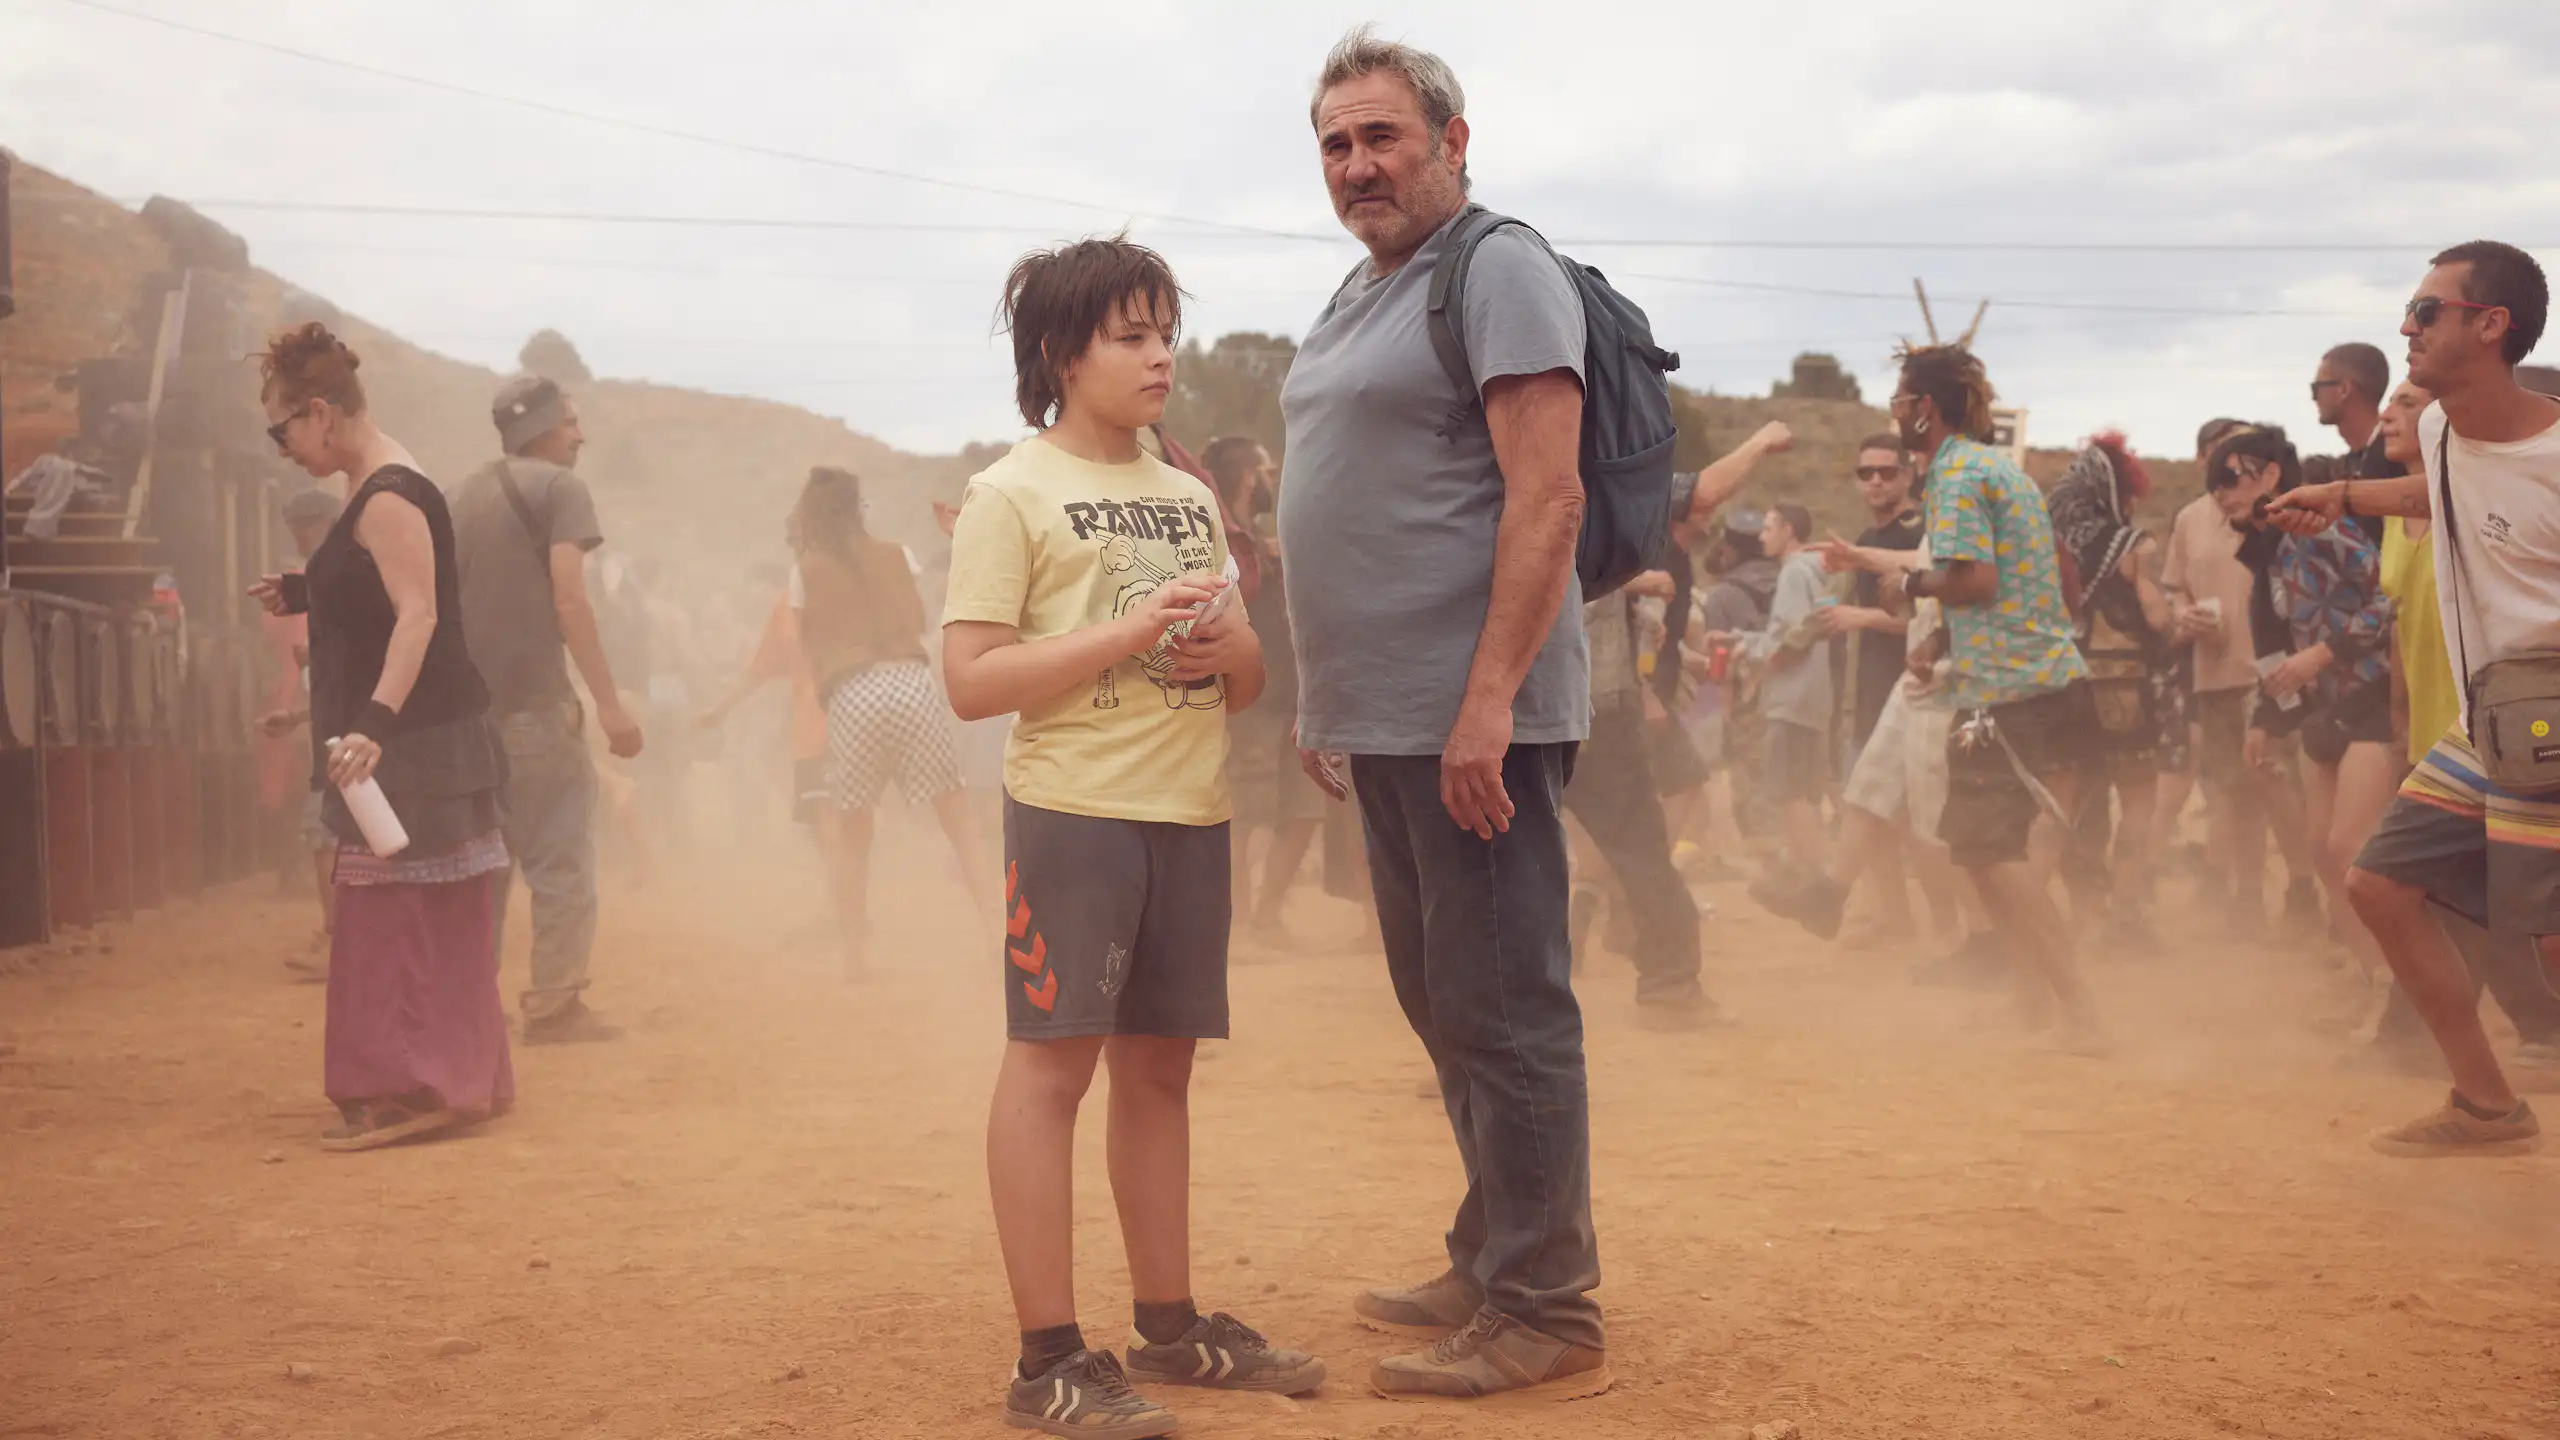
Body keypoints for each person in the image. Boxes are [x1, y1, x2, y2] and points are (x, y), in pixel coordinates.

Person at [940, 237, 1319, 1439]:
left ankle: (1171, 1324)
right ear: (1062, 352)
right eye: (1131, 335)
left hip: (1188, 816)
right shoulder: (1013, 492)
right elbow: (969, 681)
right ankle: (1047, 1359)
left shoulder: (1187, 493)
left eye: (1166, 331)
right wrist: (1120, 635)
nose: (1162, 355)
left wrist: (1222, 650)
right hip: (1073, 819)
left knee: (1160, 1072)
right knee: (1052, 1070)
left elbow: (1246, 678)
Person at [1279, 27, 1610, 1402]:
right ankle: (1491, 1254)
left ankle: (1548, 1310)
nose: (1358, 165)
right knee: (1443, 1000)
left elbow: (1548, 497)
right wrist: (1324, 693)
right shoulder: (1363, 292)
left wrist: (1488, 704)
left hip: (1478, 723)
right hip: (1390, 719)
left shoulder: (1499, 267)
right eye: (1336, 145)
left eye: (1382, 137)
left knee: (1503, 1005)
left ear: (1452, 142)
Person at [2268, 240, 2560, 1154]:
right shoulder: (2438, 431)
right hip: (2486, 729)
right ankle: (2487, 1104)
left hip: (2548, 725)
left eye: (2426, 311)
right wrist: (2341, 493)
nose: (2407, 327)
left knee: (2547, 946)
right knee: (2380, 885)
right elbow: (2433, 491)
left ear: (2490, 324)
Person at [249, 322, 512, 1153]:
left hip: (414, 746)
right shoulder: (376, 484)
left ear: (320, 413)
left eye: (282, 428)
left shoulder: (389, 491)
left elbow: (420, 613)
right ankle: (445, 1076)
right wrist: (304, 590)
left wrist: (373, 724)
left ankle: (414, 1087)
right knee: (415, 914)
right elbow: (382, 583)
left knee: (398, 920)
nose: (282, 447)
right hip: (418, 741)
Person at [1883, 343, 2106, 1053]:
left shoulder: (1954, 475)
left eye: (1898, 397)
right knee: (2002, 859)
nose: (1892, 410)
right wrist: (1941, 642)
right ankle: (2036, 1005)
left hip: (2016, 697)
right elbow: (2005, 583)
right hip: (2043, 687)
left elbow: (1974, 579)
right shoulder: (1994, 469)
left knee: (1990, 855)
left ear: (1924, 407)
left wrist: (1912, 587)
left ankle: (2080, 1014)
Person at [2364, 379, 2560, 1071]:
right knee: (2418, 885)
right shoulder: (2425, 496)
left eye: (2412, 404)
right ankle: (2482, 1086)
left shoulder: (2527, 472)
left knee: (2514, 906)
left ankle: (2517, 1046)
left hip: (2530, 723)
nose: (2397, 416)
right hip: (2461, 725)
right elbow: (2403, 623)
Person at [449, 374, 642, 1045]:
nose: (580, 434)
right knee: (560, 858)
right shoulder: (561, 489)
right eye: (571, 423)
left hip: (469, 719)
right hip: (535, 710)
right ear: (542, 430)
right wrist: (612, 708)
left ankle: (471, 1003)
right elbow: (570, 601)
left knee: (485, 865)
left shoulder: (461, 495)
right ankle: (555, 1005)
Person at [785, 467, 991, 975]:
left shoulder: (804, 569)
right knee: (961, 826)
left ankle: (855, 957)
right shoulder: (899, 555)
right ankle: (999, 940)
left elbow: (806, 643)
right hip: (910, 683)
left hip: (852, 693)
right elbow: (919, 616)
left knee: (855, 835)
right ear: (859, 506)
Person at [2213, 425, 2398, 985]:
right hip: (2324, 712)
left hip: (2374, 695)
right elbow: (2273, 646)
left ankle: (2402, 988)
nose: (2221, 494)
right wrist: (2266, 719)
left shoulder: (2319, 530)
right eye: (2212, 485)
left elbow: (2393, 600)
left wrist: (2326, 652)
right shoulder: (2263, 550)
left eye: (2230, 479)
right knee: (2320, 851)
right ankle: (2376, 982)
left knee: (2348, 848)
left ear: (2270, 476)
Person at [2160, 418, 2316, 934]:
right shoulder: (2190, 519)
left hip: (2276, 674)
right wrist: (2182, 616)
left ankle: (2302, 887)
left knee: (2280, 785)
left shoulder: (2283, 515)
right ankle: (2247, 898)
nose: (2225, 485)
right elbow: (2173, 588)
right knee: (2233, 792)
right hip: (2214, 673)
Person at [2047, 436, 2175, 945]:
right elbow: (2158, 617)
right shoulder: (2132, 545)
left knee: (2079, 805)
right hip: (2126, 694)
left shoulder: (2051, 548)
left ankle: (2085, 917)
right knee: (2139, 803)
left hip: (2067, 690)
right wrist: (2174, 621)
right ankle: (2126, 911)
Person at [1199, 434, 1325, 940]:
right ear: (1250, 478)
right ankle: (1240, 922)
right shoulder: (1218, 541)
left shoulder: (1259, 544)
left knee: (1305, 809)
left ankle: (1266, 916)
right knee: (1242, 816)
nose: (1272, 481)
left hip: (1294, 696)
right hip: (1248, 699)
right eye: (1266, 472)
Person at [257, 485, 346, 980]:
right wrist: (294, 718)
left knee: (325, 835)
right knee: (331, 836)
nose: (301, 540)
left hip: (347, 734)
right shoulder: (331, 574)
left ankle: (338, 941)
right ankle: (342, 938)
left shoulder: (340, 574)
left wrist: (321, 657)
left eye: (303, 530)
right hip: (336, 726)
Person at [1725, 502, 1835, 897]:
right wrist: (1747, 643)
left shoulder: (1794, 571)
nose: (1761, 535)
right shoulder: (1815, 569)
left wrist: (1752, 651)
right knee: (1801, 790)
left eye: (1769, 527)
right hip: (1812, 696)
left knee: (1788, 792)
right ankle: (1812, 874)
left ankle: (1818, 881)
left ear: (1789, 530)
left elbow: (1791, 638)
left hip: (1791, 696)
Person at [2314, 341, 2400, 543]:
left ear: (2344, 389)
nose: (2314, 398)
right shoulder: (2347, 464)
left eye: (2316, 387)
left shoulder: (2395, 459)